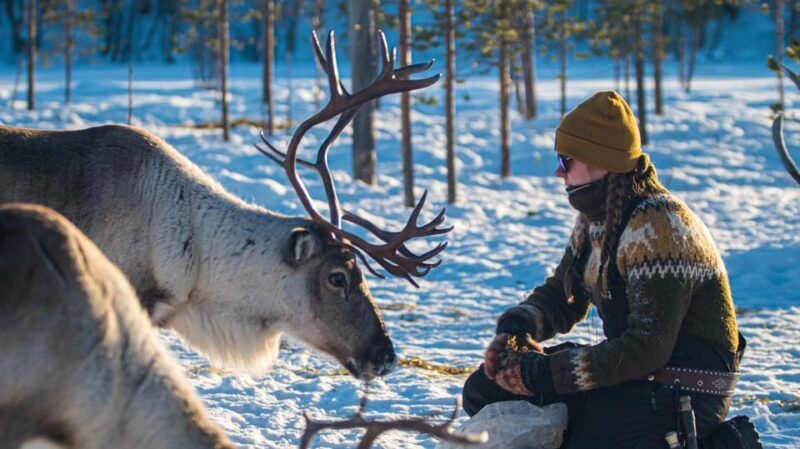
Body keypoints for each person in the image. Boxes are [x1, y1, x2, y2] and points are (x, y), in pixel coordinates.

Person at [462, 91, 755, 449]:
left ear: (600, 160)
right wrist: (516, 328)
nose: (558, 171)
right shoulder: (599, 217)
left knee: (582, 435)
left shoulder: (658, 225)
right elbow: (562, 295)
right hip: (636, 375)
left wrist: (545, 374)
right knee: (483, 391)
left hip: (683, 389)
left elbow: (647, 347)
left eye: (566, 159)